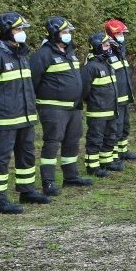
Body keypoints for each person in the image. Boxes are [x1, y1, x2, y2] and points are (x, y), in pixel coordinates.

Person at [0, 12, 46, 214]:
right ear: (6, 31)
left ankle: (27, 190)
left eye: (22, 29)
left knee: (27, 155)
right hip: (4, 119)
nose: (22, 33)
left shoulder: (22, 55)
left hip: (26, 117)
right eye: (18, 29)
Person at [30, 17, 91, 195]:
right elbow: (32, 81)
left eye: (69, 32)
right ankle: (48, 182)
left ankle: (71, 177)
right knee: (52, 142)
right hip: (52, 108)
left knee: (72, 140)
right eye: (65, 32)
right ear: (54, 33)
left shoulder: (70, 52)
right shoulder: (43, 54)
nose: (68, 35)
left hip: (74, 107)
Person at [81, 33, 119, 176]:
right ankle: (92, 167)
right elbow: (84, 90)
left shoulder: (107, 64)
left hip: (111, 109)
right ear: (97, 47)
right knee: (95, 139)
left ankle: (106, 162)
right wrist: (92, 101)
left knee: (110, 137)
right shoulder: (90, 67)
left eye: (109, 45)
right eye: (105, 45)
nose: (108, 48)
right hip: (97, 111)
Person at [104, 19, 136, 162]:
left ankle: (122, 151)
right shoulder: (106, 52)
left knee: (125, 126)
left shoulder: (120, 51)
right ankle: (113, 156)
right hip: (115, 98)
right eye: (119, 34)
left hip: (124, 96)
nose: (122, 36)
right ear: (111, 35)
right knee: (115, 128)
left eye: (123, 34)